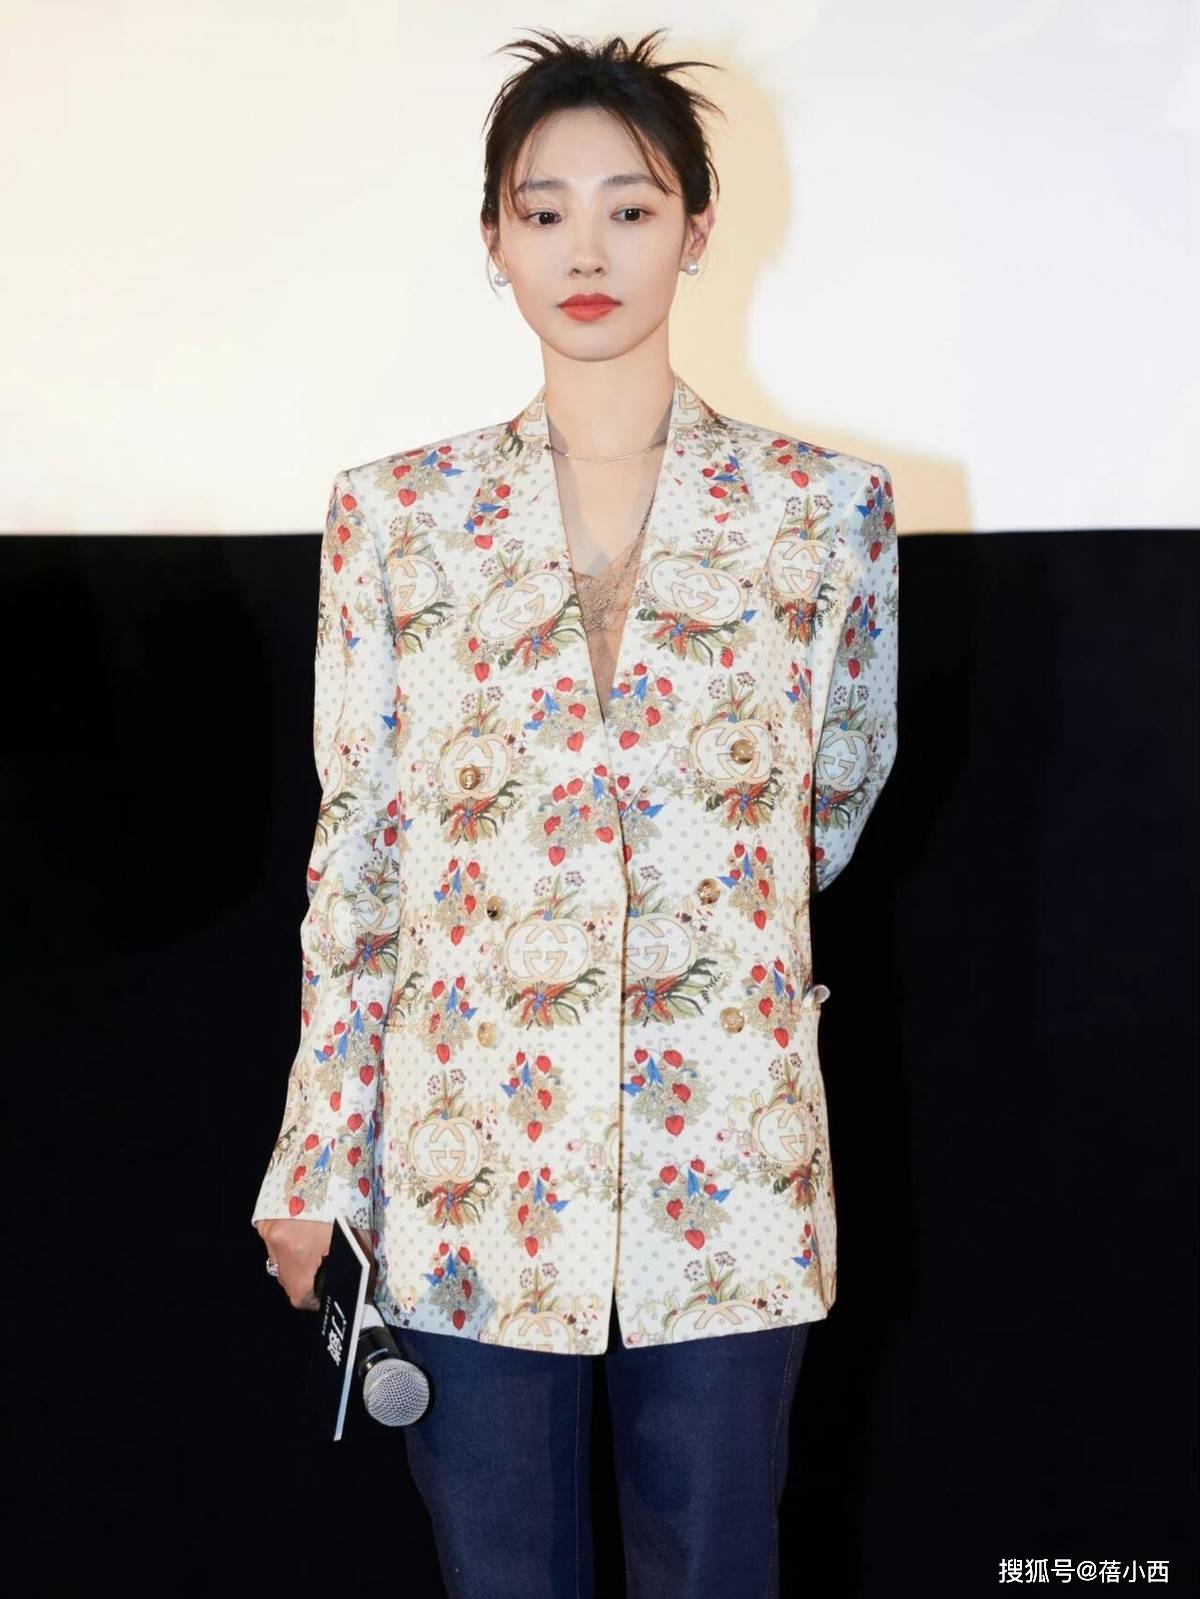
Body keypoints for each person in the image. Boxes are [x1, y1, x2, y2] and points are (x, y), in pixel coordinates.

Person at [254, 26, 899, 1599]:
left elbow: (831, 797)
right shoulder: (396, 518)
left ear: (697, 227)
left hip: (728, 1156)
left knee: (718, 1570)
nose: (586, 251)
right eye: (543, 211)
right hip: (468, 1157)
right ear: (494, 239)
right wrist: (316, 1157)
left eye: (631, 206)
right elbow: (364, 853)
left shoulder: (826, 512)